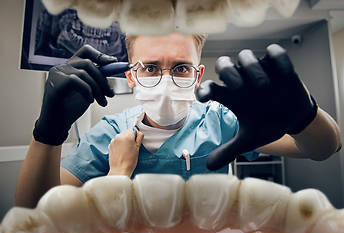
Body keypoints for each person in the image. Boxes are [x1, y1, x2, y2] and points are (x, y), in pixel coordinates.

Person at [15, 31, 342, 209]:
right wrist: (48, 131)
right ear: (131, 77)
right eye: (151, 68)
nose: (166, 81)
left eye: (181, 68)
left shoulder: (221, 121)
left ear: (198, 74)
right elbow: (35, 212)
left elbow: (325, 148)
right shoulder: (110, 136)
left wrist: (304, 116)